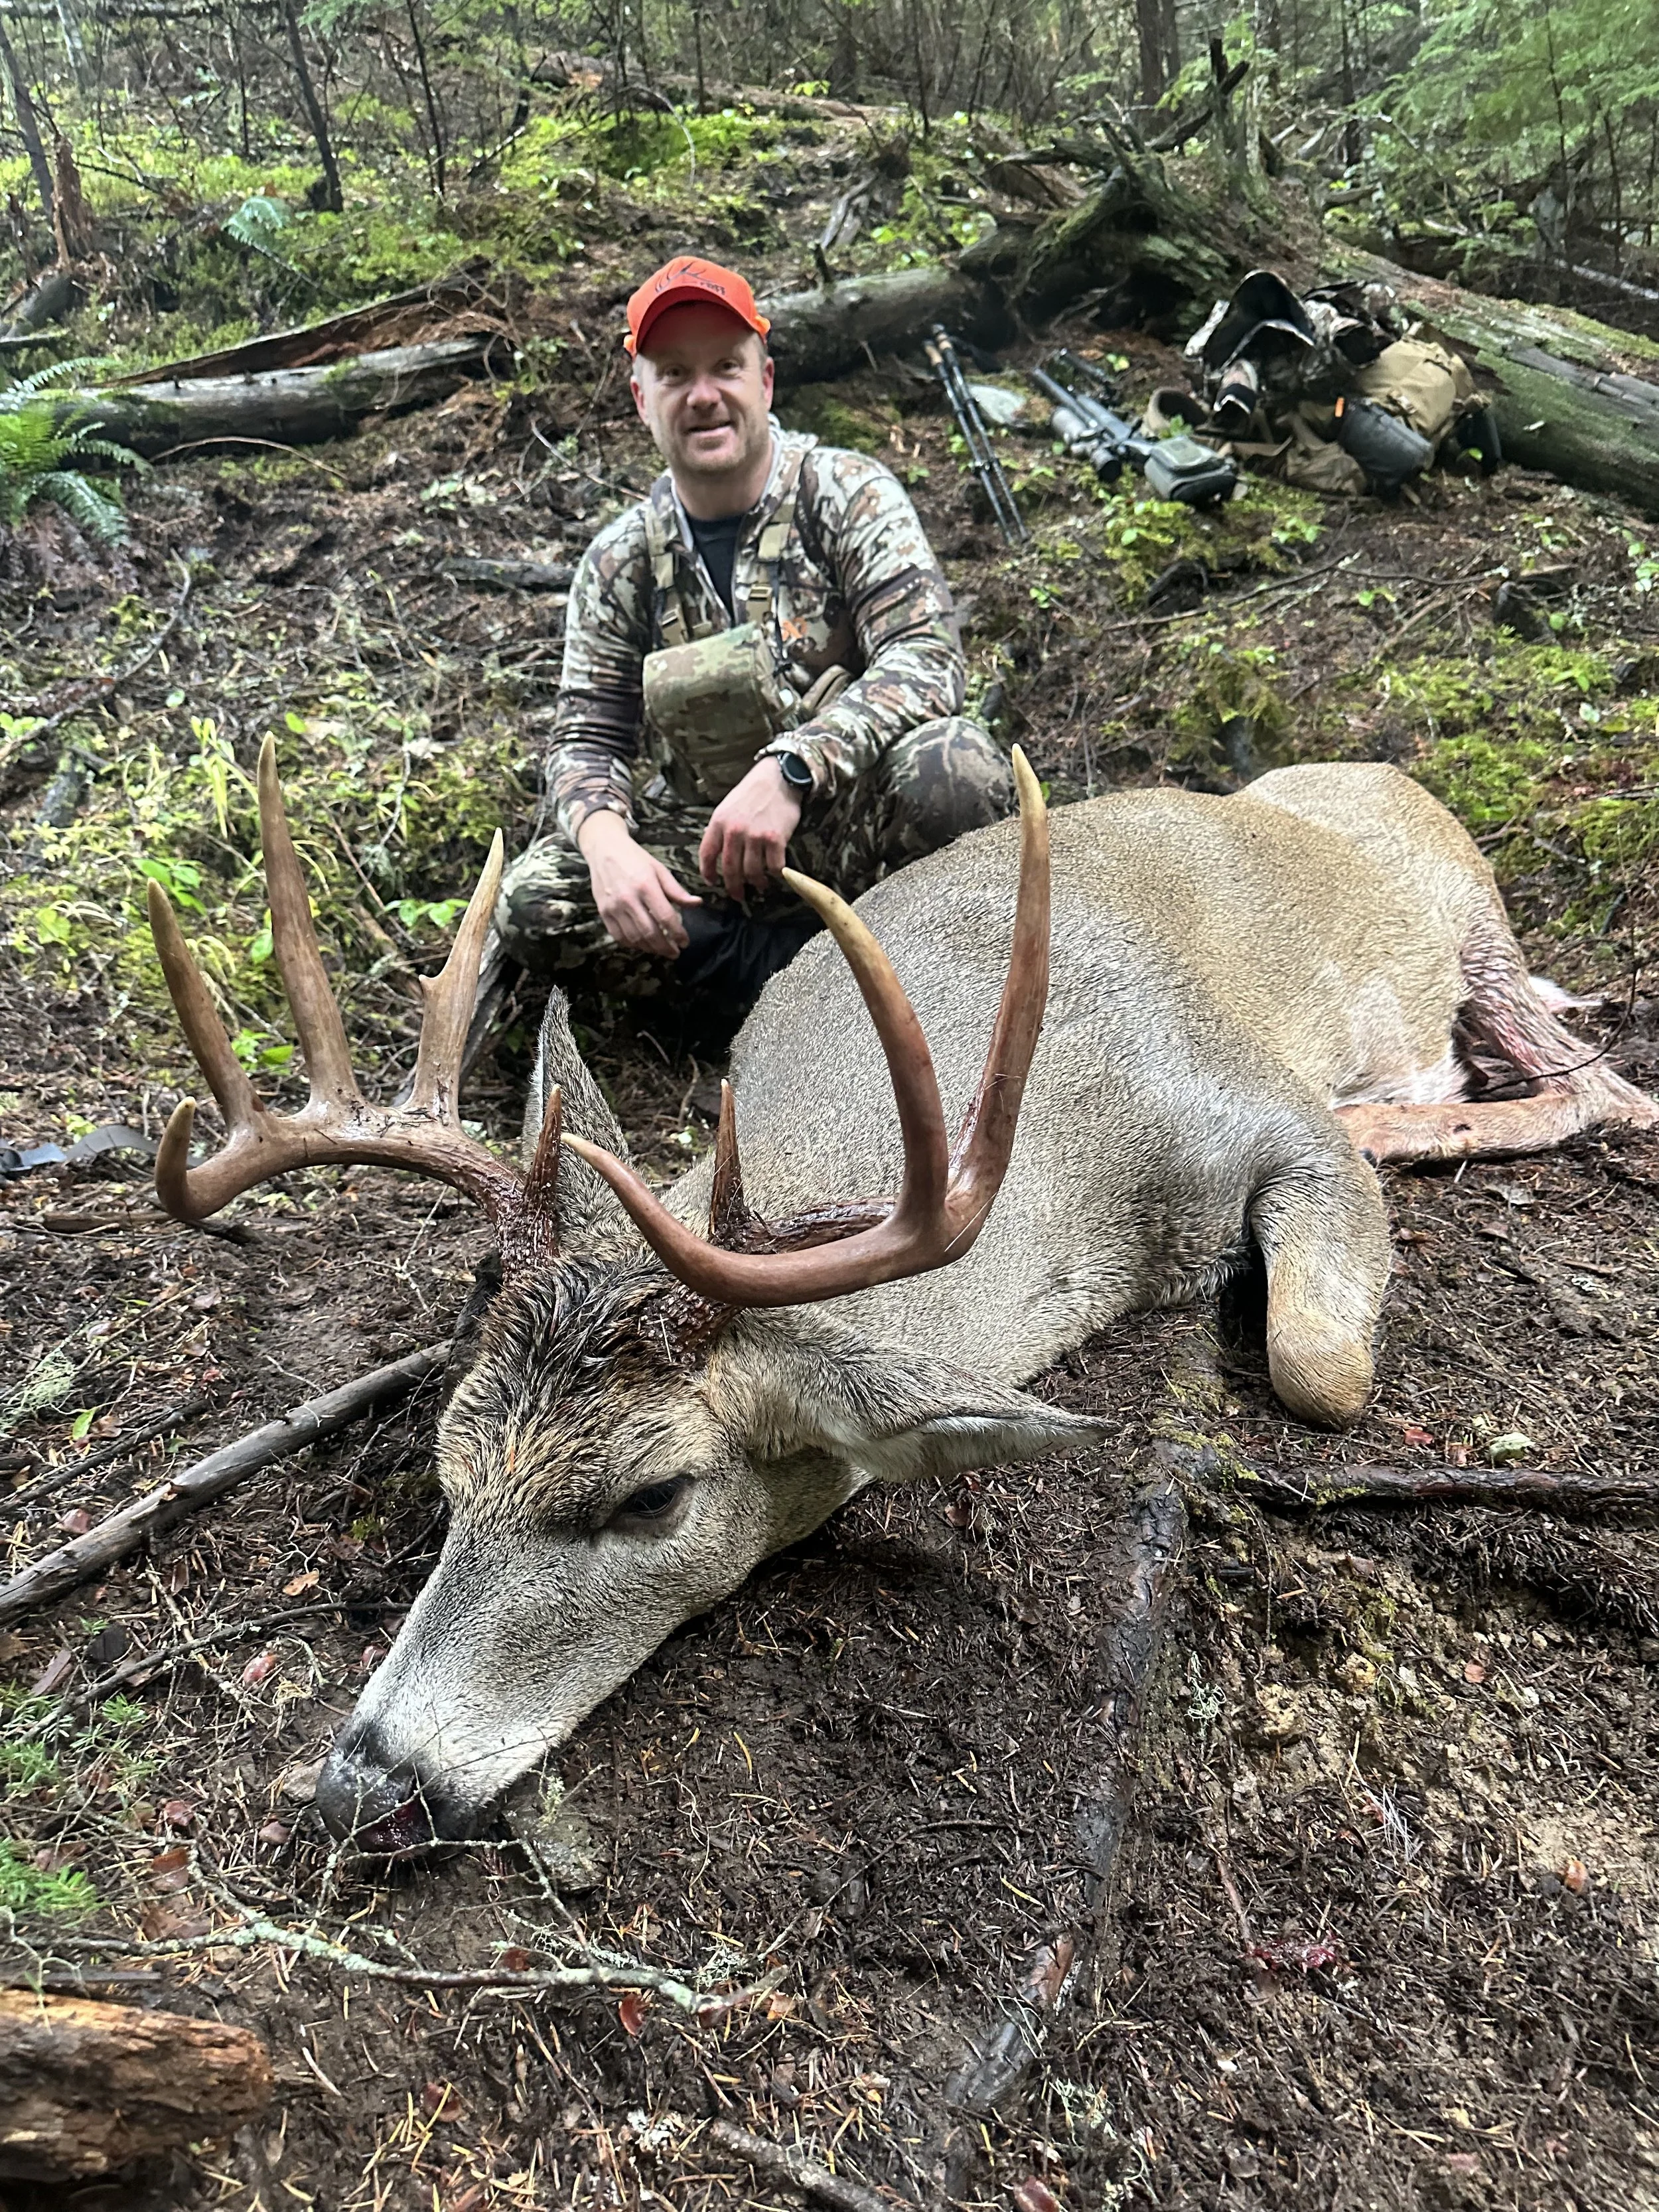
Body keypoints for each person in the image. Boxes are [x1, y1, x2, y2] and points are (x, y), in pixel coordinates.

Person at [494, 254, 1014, 1029]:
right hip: (707, 850)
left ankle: (919, 982)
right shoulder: (619, 561)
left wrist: (795, 767)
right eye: (674, 374)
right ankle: (811, 994)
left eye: (725, 368)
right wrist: (606, 844)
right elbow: (585, 738)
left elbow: (927, 660)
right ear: (642, 399)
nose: (703, 396)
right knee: (539, 898)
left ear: (764, 381)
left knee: (958, 770)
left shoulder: (846, 495)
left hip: (846, 821)